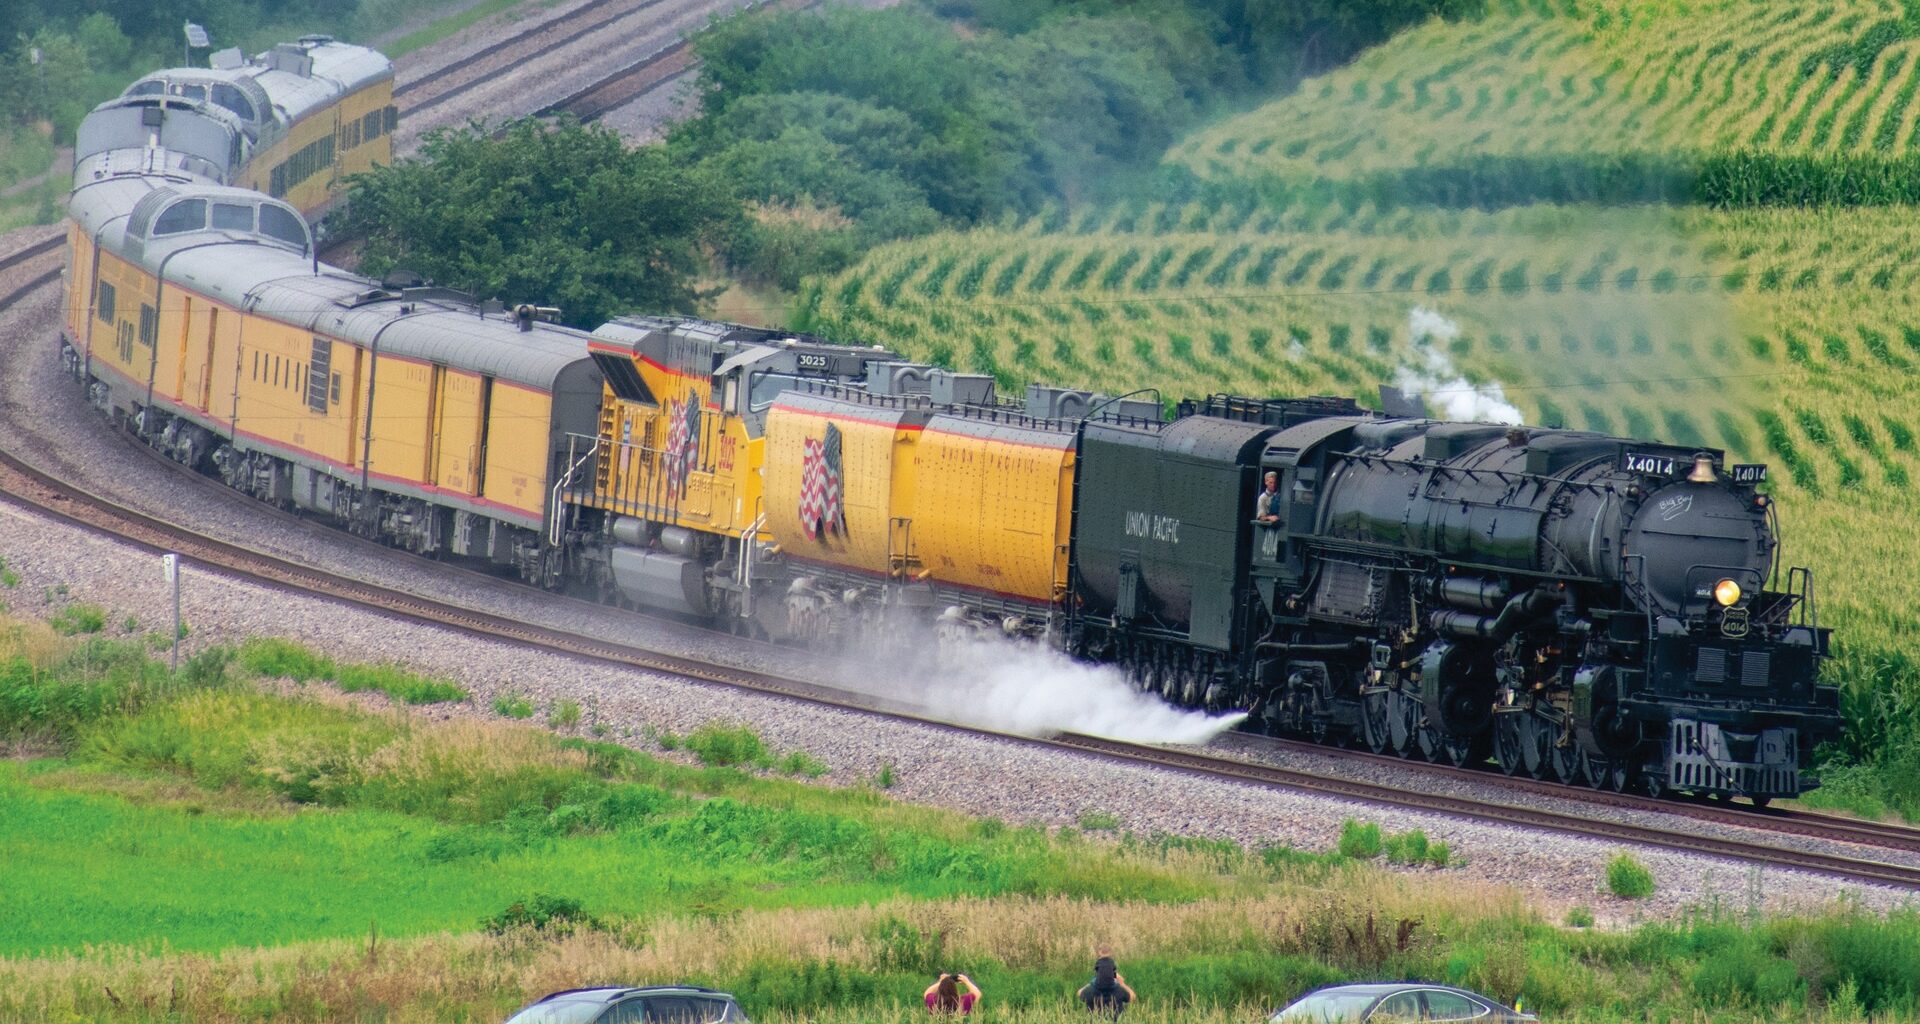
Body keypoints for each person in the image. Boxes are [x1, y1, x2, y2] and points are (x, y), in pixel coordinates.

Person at [1078, 948, 1135, 1018]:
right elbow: (1132, 997)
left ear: (1097, 972)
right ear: (1112, 972)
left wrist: (1093, 981)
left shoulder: (1090, 991)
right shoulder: (1119, 991)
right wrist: (1122, 983)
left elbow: (1079, 993)